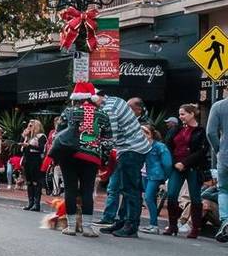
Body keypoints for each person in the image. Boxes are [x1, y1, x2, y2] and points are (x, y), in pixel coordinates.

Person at [50, 83, 113, 237]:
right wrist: (103, 159)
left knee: (70, 189)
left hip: (69, 155)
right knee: (87, 190)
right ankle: (87, 227)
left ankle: (71, 227)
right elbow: (108, 140)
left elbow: (58, 134)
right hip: (91, 157)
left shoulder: (69, 112)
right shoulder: (102, 114)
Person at [96, 92, 151, 236]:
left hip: (131, 149)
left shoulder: (109, 109)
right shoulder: (115, 100)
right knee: (125, 187)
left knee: (131, 189)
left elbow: (110, 135)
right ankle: (122, 221)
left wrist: (99, 151)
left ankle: (131, 225)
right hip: (129, 148)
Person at [162, 104, 209, 238]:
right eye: (180, 114)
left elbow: (202, 151)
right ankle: (172, 225)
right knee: (172, 194)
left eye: (183, 114)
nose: (180, 116)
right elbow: (168, 145)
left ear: (192, 114)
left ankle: (195, 228)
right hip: (176, 166)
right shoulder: (176, 130)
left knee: (195, 197)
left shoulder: (200, 131)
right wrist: (174, 162)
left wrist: (185, 163)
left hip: (193, 167)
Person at [140, 124, 172, 234]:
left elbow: (167, 164)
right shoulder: (142, 145)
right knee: (149, 198)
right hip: (145, 174)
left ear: (151, 134)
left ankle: (154, 225)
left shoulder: (159, 146)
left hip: (155, 175)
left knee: (149, 198)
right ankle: (153, 224)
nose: (143, 135)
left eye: (145, 133)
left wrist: (165, 177)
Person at [205, 96, 228, 242]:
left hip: (225, 156)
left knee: (224, 190)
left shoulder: (219, 106)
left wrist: (218, 150)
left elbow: (210, 132)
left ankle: (225, 221)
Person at [19, 120, 47, 211]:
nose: (29, 128)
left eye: (31, 126)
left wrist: (29, 146)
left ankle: (36, 203)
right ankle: (30, 202)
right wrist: (23, 136)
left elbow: (41, 149)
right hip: (27, 159)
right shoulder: (28, 137)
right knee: (29, 182)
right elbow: (20, 145)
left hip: (36, 160)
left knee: (36, 181)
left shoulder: (41, 136)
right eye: (28, 126)